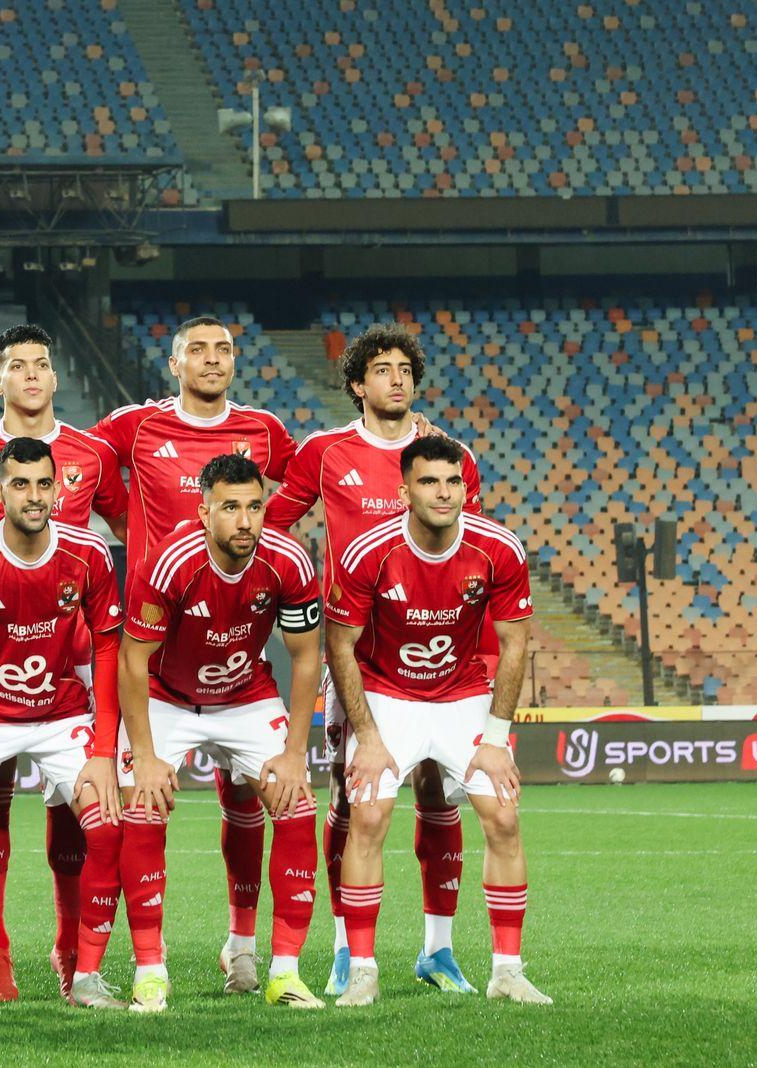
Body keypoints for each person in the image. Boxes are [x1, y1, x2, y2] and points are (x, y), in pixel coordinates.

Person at [0, 317, 299, 984]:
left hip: (142, 644)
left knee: (111, 799)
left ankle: (213, 946)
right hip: (83, 649)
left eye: (222, 349)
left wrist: (260, 545)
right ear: (174, 363)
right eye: (196, 349)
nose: (210, 360)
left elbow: (315, 476)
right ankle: (0, 953)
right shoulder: (124, 429)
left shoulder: (261, 431)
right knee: (15, 796)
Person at [265, 323, 485, 997]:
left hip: (436, 654)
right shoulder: (326, 452)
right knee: (351, 795)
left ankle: (438, 949)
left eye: (405, 370)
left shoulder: (447, 457)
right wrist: (302, 591)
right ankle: (344, 948)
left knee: (438, 794)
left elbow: (471, 547)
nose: (397, 380)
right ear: (358, 384)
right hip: (357, 654)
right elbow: (272, 526)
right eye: (382, 370)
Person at [0, 324, 128, 999]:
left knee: (88, 815)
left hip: (66, 672)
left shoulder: (92, 454)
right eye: (18, 364)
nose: (32, 374)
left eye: (42, 363)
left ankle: (75, 957)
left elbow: (134, 527)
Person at [326, 435, 549, 1007]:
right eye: (429, 482)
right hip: (386, 693)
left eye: (452, 482)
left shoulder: (498, 548)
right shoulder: (367, 552)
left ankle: (507, 971)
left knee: (503, 817)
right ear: (404, 492)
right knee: (368, 815)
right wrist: (367, 736)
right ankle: (363, 971)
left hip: (461, 694)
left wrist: (495, 739)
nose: (443, 492)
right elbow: (340, 644)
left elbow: (515, 642)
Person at [117, 453, 325, 1012]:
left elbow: (306, 658)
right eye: (230, 508)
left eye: (255, 507)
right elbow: (132, 661)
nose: (245, 521)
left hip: (245, 695)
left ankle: (280, 969)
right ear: (203, 512)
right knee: (143, 806)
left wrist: (295, 752)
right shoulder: (170, 562)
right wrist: (145, 756)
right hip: (167, 697)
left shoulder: (288, 561)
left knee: (297, 805)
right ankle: (150, 970)